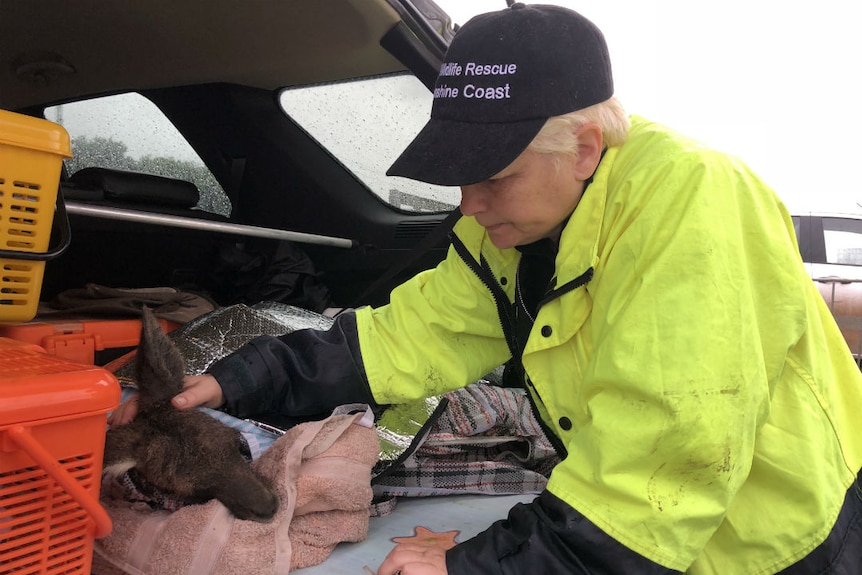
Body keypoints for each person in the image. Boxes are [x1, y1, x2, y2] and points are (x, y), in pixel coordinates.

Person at [110, 3, 862, 574]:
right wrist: (240, 379)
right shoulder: (509, 224)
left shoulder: (694, 201)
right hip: (649, 527)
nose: (468, 203)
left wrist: (473, 564)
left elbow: (664, 465)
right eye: (462, 172)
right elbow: (415, 334)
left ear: (585, 149)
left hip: (774, 534)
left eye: (493, 173)